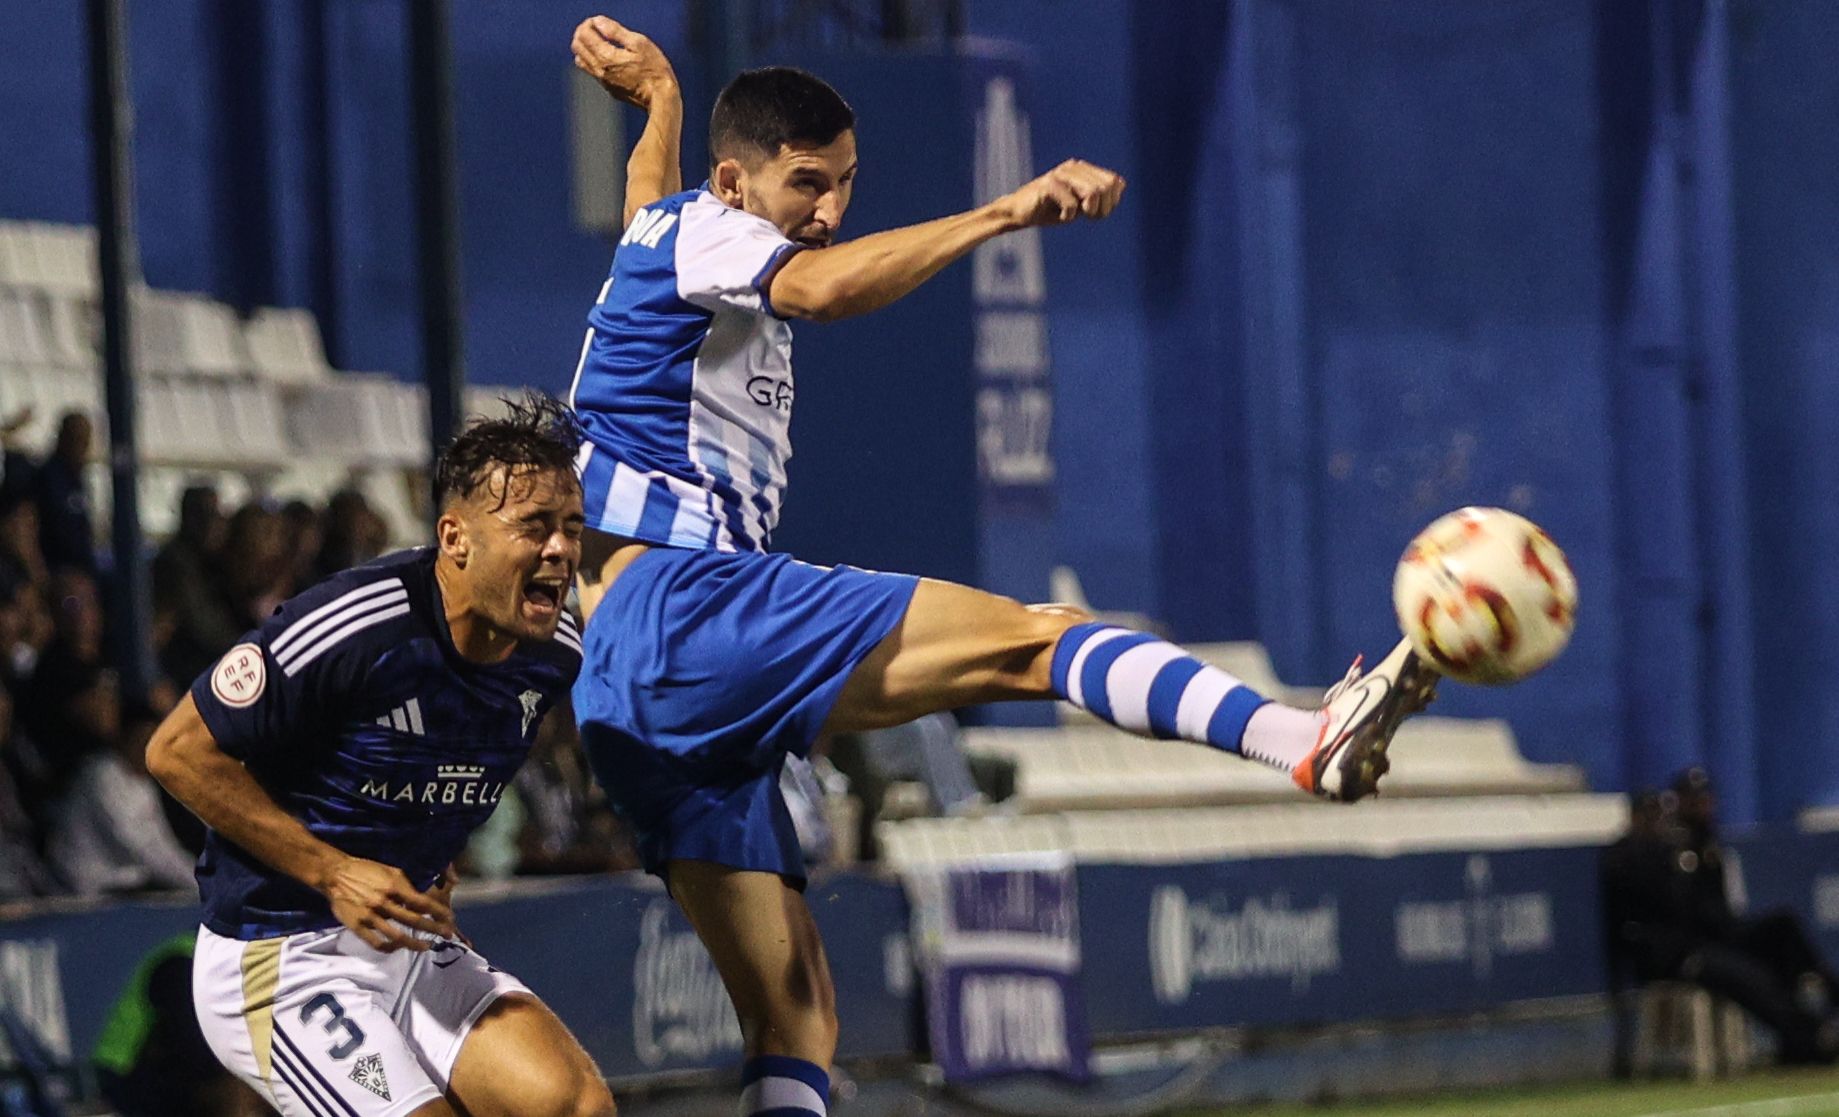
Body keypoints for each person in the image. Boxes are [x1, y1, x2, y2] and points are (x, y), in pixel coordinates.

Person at [563, 17, 1440, 1117]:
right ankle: (1301, 739)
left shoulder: (674, 227)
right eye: (808, 184)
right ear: (737, 185)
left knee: (797, 1021)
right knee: (1039, 641)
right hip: (686, 608)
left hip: (627, 681)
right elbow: (825, 288)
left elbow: (659, 191)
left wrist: (662, 106)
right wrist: (1005, 210)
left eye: (845, 184)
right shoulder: (715, 234)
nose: (831, 212)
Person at [144, 396, 615, 1117]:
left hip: (406, 942)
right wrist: (332, 870)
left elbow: (444, 761)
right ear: (455, 537)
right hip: (279, 956)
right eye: (533, 526)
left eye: (571, 527)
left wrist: (430, 851)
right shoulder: (357, 625)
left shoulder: (553, 654)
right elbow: (175, 751)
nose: (559, 549)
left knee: (573, 1102)